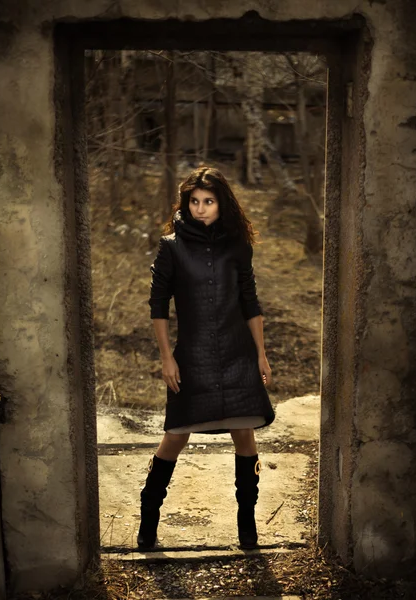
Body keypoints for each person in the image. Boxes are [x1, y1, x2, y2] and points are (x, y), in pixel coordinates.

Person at [138, 166, 275, 550]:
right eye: (194, 202)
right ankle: (148, 520)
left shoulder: (237, 246)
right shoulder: (171, 246)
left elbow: (250, 301)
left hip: (237, 353)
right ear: (186, 204)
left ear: (222, 204)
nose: (200, 209)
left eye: (208, 202)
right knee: (175, 437)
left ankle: (247, 527)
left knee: (244, 435)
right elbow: (158, 306)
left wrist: (261, 354)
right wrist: (167, 358)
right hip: (193, 356)